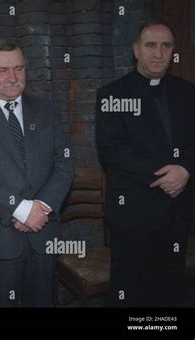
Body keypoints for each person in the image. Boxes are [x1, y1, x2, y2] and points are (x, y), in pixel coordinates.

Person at [0, 39, 73, 307]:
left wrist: (41, 207)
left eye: (19, 69)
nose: (13, 77)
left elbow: (63, 162)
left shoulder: (46, 109)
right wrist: (20, 209)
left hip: (44, 235)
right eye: (2, 70)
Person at [96, 20, 195, 306]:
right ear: (136, 50)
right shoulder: (112, 94)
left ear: (173, 51)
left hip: (177, 211)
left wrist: (186, 169)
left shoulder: (189, 93)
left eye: (166, 46)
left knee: (172, 288)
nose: (158, 53)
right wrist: (169, 175)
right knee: (129, 290)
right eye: (150, 45)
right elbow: (113, 151)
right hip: (133, 213)